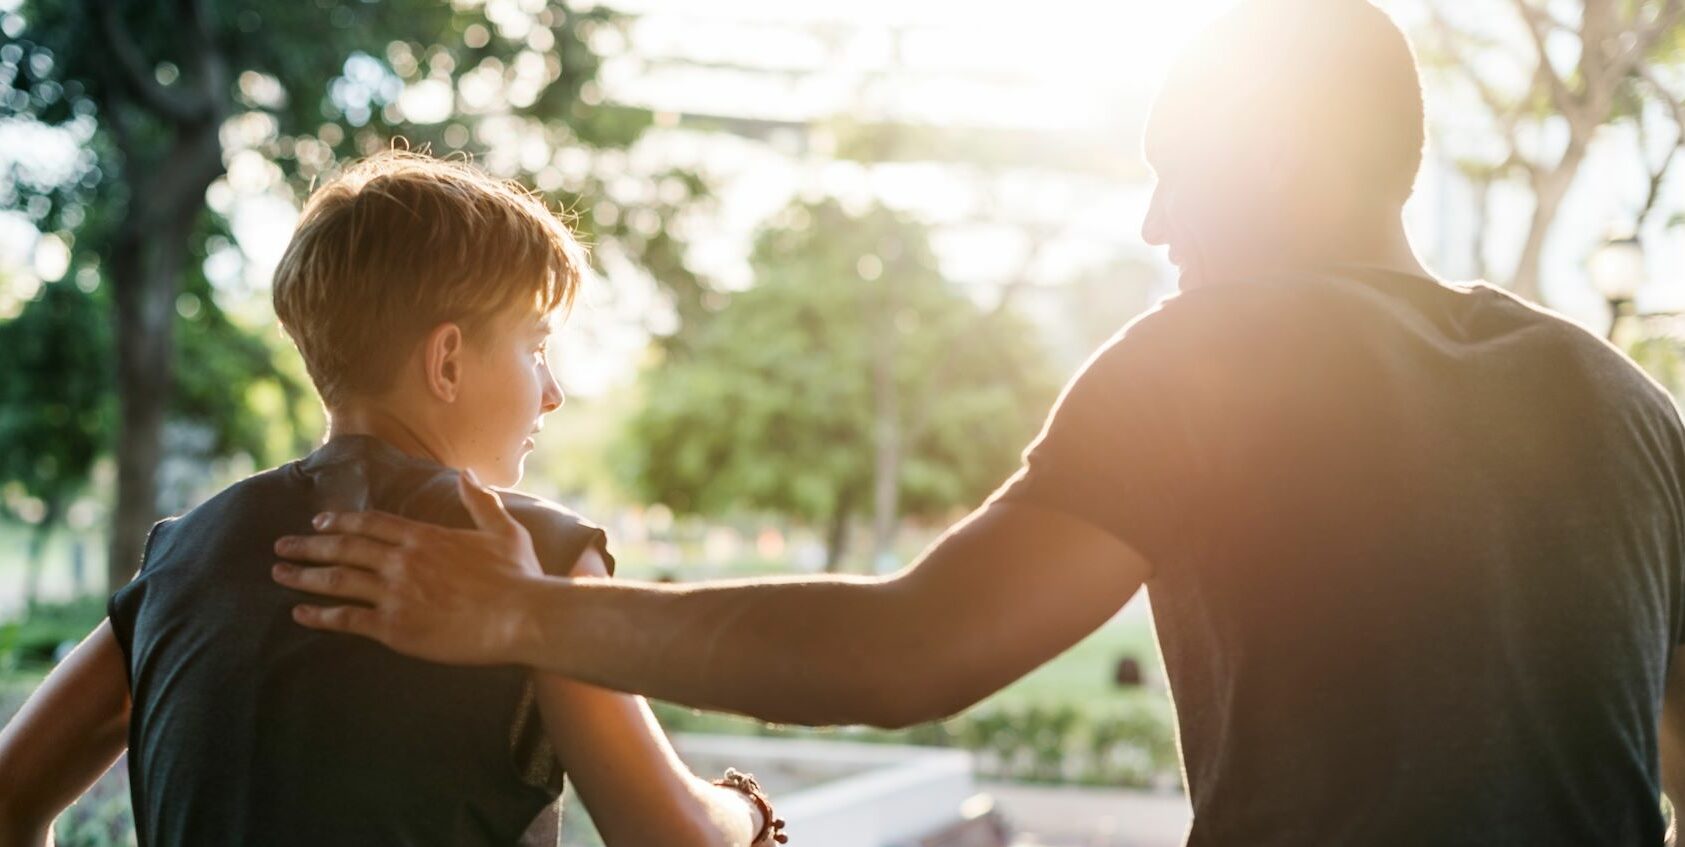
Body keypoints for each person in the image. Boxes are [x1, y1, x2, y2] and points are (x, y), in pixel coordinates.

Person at [273, 2, 1685, 844]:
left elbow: (908, 649)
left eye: (1177, 173)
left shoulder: (1219, 351)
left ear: (1277, 159)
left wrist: (520, 614)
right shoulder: (1624, 402)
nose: (1153, 221)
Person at [0, 152, 782, 847]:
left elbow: (7, 797)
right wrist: (745, 810)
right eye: (536, 347)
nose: (553, 392)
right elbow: (671, 837)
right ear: (446, 361)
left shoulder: (181, 555)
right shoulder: (528, 561)